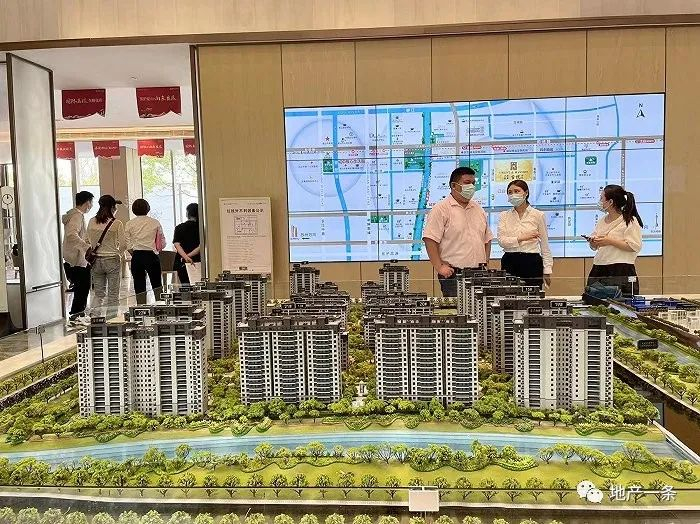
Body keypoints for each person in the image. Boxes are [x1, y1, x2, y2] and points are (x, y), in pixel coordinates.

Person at [423, 166, 493, 297]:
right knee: (457, 309)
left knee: (481, 309)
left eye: (473, 183)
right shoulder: (441, 209)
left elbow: (487, 239)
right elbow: (430, 240)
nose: (471, 187)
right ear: (453, 186)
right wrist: (439, 267)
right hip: (454, 275)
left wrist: (486, 263)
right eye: (467, 183)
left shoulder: (478, 209)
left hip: (479, 275)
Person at [586, 184, 643, 296]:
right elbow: (595, 246)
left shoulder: (629, 221)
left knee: (621, 302)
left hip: (620, 269)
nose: (600, 201)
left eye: (602, 198)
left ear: (610, 202)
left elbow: (634, 246)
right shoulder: (602, 220)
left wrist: (610, 241)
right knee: (594, 300)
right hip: (599, 267)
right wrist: (593, 242)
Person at [496, 179, 553, 288]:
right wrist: (523, 238)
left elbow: (545, 245)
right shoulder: (504, 216)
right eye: (510, 192)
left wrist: (547, 269)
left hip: (532, 261)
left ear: (526, 193)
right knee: (509, 295)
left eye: (517, 191)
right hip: (510, 261)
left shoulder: (538, 215)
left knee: (533, 296)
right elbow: (502, 241)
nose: (513, 195)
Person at [87, 195, 126, 319]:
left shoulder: (91, 221)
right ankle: (111, 319)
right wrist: (118, 253)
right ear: (113, 207)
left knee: (98, 293)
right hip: (112, 260)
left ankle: (95, 318)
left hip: (96, 261)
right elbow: (124, 244)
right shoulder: (117, 223)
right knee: (113, 293)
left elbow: (87, 240)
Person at [125, 198, 166, 305]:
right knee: (157, 284)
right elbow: (162, 242)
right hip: (151, 256)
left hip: (137, 256)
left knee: (139, 286)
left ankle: (141, 308)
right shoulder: (155, 222)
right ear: (148, 209)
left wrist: (133, 252)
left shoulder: (129, 224)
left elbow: (127, 243)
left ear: (133, 210)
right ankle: (160, 307)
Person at [61, 191, 94, 322]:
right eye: (91, 202)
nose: (91, 206)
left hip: (72, 257)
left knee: (81, 288)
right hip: (77, 258)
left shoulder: (73, 215)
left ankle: (77, 314)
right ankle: (77, 314)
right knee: (83, 287)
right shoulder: (77, 216)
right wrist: (86, 247)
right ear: (87, 202)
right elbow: (72, 234)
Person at [173, 203, 201, 284]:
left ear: (187, 213)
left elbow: (177, 245)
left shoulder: (179, 227)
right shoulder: (202, 228)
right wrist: (189, 256)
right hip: (197, 260)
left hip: (181, 262)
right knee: (199, 285)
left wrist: (185, 257)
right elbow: (201, 246)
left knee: (185, 286)